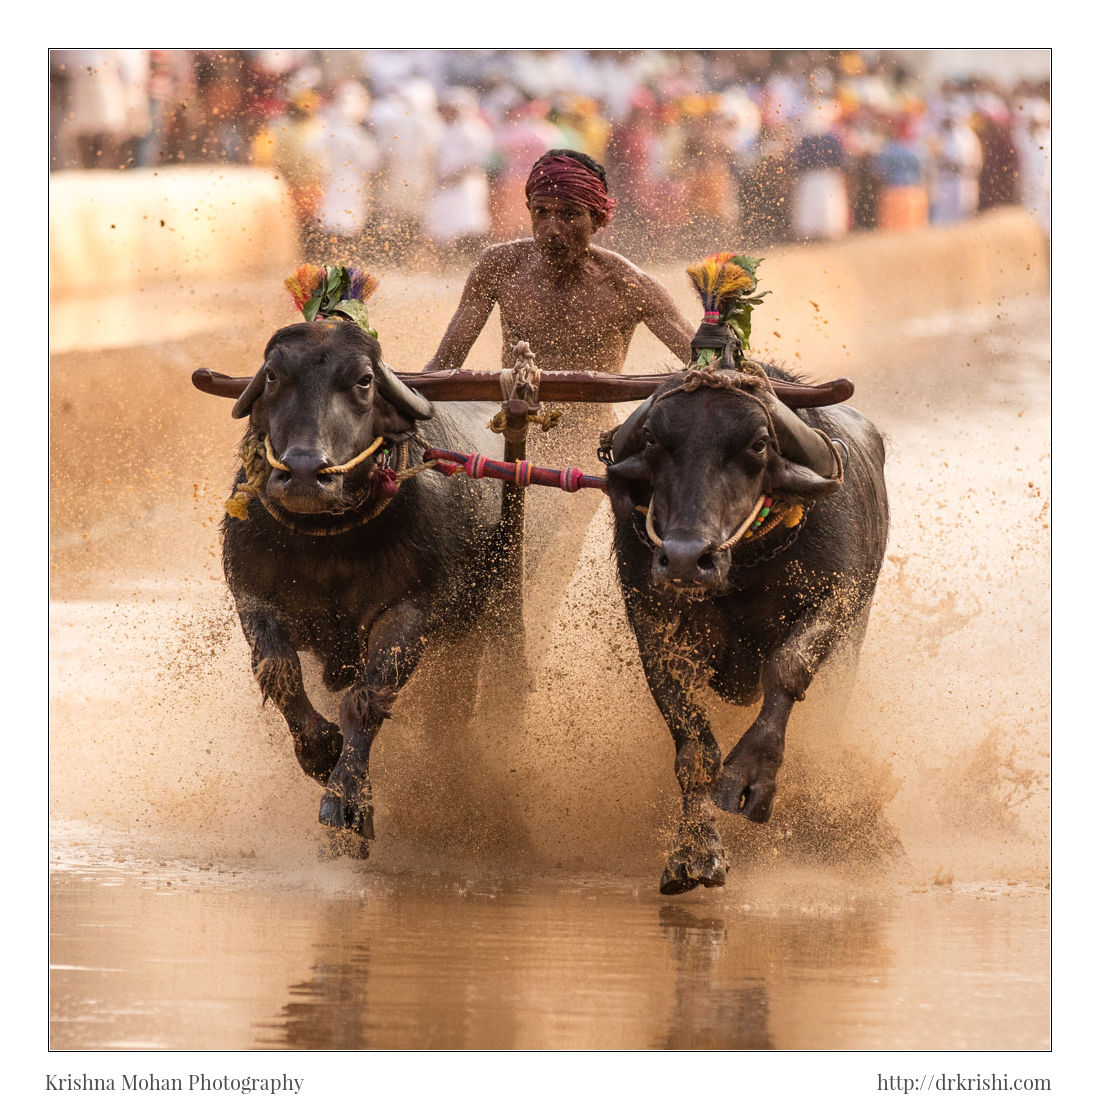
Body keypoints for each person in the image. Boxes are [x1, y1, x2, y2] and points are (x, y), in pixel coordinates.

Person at [422, 148, 840, 626]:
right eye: (541, 213)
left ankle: (527, 652)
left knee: (537, 567)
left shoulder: (628, 285)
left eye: (569, 215)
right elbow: (443, 368)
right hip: (498, 437)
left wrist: (732, 363)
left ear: (598, 219)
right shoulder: (497, 266)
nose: (552, 229)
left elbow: (702, 369)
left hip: (582, 449)